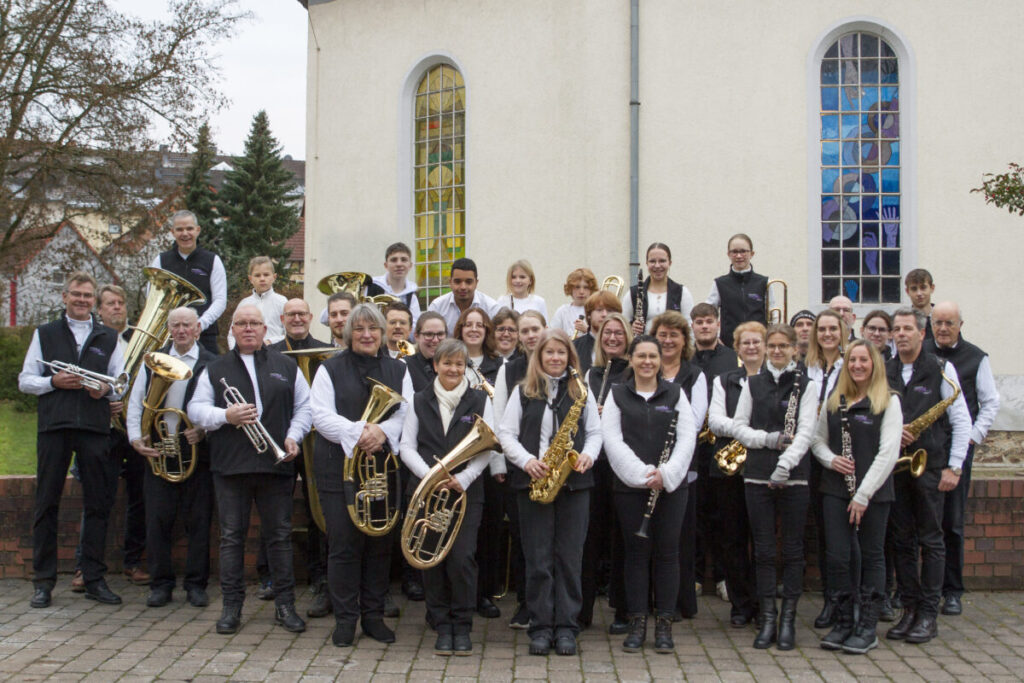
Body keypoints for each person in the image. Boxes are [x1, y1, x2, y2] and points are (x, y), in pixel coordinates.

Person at [187, 305, 311, 635]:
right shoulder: (215, 368)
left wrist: (292, 436)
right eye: (241, 323)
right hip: (231, 467)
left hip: (276, 465)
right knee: (231, 539)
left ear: (265, 328)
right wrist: (225, 417)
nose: (248, 328)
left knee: (280, 538)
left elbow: (305, 408)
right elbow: (196, 409)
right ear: (233, 330)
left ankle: (285, 606)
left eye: (254, 322)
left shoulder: (286, 366)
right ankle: (232, 607)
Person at [19, 272, 126, 609]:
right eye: (76, 295)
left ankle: (93, 577)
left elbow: (120, 383)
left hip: (94, 428)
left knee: (98, 503)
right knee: (46, 502)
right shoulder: (45, 333)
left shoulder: (108, 336)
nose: (82, 300)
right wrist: (53, 382)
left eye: (88, 296)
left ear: (94, 301)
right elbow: (25, 380)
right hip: (55, 426)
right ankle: (43, 582)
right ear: (64, 297)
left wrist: (106, 389)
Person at [309, 304, 413, 647]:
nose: (366, 335)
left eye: (373, 329)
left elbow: (408, 413)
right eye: (359, 329)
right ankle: (345, 620)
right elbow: (320, 415)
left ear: (382, 333)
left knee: (379, 544)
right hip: (337, 471)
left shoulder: (398, 369)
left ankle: (372, 617)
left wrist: (381, 433)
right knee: (343, 545)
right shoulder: (330, 368)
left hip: (382, 469)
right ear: (347, 333)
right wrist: (360, 433)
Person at [498, 329, 601, 656]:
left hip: (574, 485)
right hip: (535, 483)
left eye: (561, 353)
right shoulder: (524, 391)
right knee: (539, 559)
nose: (555, 358)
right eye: (549, 353)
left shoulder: (582, 391)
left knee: (570, 559)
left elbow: (596, 433)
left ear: (570, 358)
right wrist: (527, 462)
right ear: (538, 358)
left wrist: (588, 455)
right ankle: (541, 627)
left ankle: (567, 627)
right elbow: (506, 433)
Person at [399, 339, 497, 655]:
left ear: (465, 367)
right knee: (430, 556)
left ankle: (462, 623)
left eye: (459, 364)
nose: (453, 369)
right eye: (447, 363)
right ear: (435, 366)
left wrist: (464, 478)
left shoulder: (480, 400)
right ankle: (441, 622)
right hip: (427, 490)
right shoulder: (419, 399)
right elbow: (407, 447)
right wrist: (432, 477)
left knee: (462, 557)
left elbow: (488, 448)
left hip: (465, 492)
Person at [603, 335, 697, 653]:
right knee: (636, 555)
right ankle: (637, 621)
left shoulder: (675, 392)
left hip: (671, 487)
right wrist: (643, 476)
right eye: (640, 356)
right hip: (631, 488)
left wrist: (666, 475)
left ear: (660, 360)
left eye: (652, 356)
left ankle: (664, 625)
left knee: (668, 554)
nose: (647, 362)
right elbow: (612, 441)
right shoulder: (617, 393)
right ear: (631, 359)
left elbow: (686, 438)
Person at [729, 324, 819, 650]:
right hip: (756, 474)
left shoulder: (807, 386)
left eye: (784, 346)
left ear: (795, 349)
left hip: (794, 475)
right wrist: (768, 440)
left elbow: (806, 432)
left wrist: (784, 464)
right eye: (774, 346)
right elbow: (739, 427)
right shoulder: (752, 383)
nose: (778, 351)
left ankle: (788, 621)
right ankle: (768, 618)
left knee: (793, 551)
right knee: (764, 550)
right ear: (766, 348)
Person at [884, 308, 971, 645]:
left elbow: (961, 421)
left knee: (932, 540)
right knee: (902, 540)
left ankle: (928, 614)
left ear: (923, 333)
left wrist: (954, 466)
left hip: (930, 467)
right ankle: (909, 609)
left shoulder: (941, 369)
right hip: (896, 467)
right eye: (897, 329)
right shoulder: (886, 370)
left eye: (908, 328)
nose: (901, 334)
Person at [811, 340, 901, 654]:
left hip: (872, 493)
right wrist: (830, 459)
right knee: (838, 557)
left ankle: (868, 627)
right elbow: (817, 440)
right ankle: (845, 621)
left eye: (864, 360)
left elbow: (889, 453)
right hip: (835, 490)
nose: (857, 365)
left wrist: (863, 495)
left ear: (874, 363)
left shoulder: (888, 401)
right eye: (852, 361)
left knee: (872, 556)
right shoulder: (837, 399)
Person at [127, 307, 217, 608]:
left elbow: (216, 407)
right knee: (158, 522)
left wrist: (202, 431)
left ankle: (195, 585)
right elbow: (136, 403)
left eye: (186, 325)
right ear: (169, 329)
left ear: (197, 330)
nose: (180, 330)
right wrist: (135, 437)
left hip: (195, 452)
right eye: (175, 325)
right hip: (159, 449)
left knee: (199, 522)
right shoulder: (152, 362)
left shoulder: (211, 363)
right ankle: (161, 584)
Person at [928, 302, 1000, 617]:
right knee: (923, 523)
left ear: (960, 324)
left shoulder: (976, 358)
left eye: (949, 323)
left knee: (952, 524)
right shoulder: (922, 352)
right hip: (926, 451)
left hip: (957, 451)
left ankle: (952, 590)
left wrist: (971, 438)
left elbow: (990, 402)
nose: (943, 328)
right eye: (938, 323)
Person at [74, 284, 148, 589]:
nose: (117, 307)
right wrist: (105, 402)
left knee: (140, 497)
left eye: (121, 302)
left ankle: (133, 562)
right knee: (96, 500)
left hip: (134, 429)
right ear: (99, 310)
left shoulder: (139, 341)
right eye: (110, 303)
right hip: (102, 430)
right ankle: (85, 566)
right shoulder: (91, 341)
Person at [267, 298, 332, 617]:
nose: (296, 318)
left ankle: (321, 576)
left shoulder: (326, 351)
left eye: (302, 314)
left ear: (310, 317)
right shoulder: (271, 353)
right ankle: (272, 577)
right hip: (281, 438)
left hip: (317, 442)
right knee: (274, 509)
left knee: (317, 508)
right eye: (290, 314)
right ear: (282, 318)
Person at [490, 308, 547, 630]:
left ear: (544, 329)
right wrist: (500, 462)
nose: (529, 336)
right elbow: (498, 420)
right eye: (523, 331)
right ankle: (526, 605)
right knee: (524, 540)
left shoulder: (558, 363)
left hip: (554, 469)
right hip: (518, 467)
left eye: (534, 329)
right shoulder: (509, 369)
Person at [651, 311, 709, 620]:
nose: (668, 340)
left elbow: (696, 420)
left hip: (682, 462)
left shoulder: (694, 374)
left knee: (679, 536)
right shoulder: (646, 367)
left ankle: (677, 603)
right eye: (662, 334)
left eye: (674, 335)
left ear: (684, 340)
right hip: (647, 462)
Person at [707, 322, 765, 629]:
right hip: (728, 467)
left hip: (764, 467)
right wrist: (751, 432)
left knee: (763, 538)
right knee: (733, 538)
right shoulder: (724, 380)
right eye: (746, 343)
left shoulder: (776, 381)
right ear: (737, 348)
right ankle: (741, 605)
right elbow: (715, 422)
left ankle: (763, 603)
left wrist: (744, 433)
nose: (752, 347)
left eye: (757, 342)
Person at [579, 313, 633, 632]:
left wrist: (611, 414)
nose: (612, 338)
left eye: (618, 333)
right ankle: (582, 611)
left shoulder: (632, 372)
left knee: (622, 539)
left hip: (622, 463)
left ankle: (623, 610)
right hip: (595, 465)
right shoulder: (591, 373)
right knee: (589, 539)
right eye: (607, 333)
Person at [804, 309, 849, 629]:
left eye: (833, 328)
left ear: (843, 331)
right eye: (822, 329)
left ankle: (848, 599)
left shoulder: (852, 365)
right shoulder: (807, 366)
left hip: (841, 455)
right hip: (811, 456)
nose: (827, 334)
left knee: (843, 537)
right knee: (822, 533)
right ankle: (830, 599)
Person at [151, 210, 227, 353]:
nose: (185, 233)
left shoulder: (212, 260)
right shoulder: (160, 261)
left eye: (189, 228)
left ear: (197, 230)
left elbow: (220, 300)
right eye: (179, 229)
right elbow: (154, 300)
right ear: (172, 232)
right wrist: (172, 327)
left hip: (204, 336)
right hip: (168, 337)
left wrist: (200, 324)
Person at [706, 234, 769, 349]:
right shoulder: (719, 283)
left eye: (743, 251)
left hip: (758, 346)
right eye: (734, 252)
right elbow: (709, 313)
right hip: (728, 345)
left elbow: (772, 316)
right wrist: (715, 337)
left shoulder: (764, 282)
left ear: (752, 254)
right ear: (728, 254)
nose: (739, 256)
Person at [624, 243, 694, 334]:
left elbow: (690, 328)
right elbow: (623, 325)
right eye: (652, 261)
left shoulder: (682, 292)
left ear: (670, 263)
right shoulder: (633, 293)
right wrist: (631, 328)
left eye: (662, 261)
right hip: (642, 346)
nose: (657, 265)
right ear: (647, 263)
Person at [227, 256, 287, 349]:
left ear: (274, 277)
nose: (262, 279)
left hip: (276, 353)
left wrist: (270, 341)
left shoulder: (282, 302)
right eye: (257, 275)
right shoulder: (244, 304)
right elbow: (232, 333)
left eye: (266, 275)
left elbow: (289, 333)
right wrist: (235, 352)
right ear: (250, 279)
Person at [427, 258, 498, 332]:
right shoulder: (437, 307)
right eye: (457, 282)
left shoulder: (491, 308)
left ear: (476, 283)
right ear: (450, 282)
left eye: (468, 282)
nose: (463, 287)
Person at [367, 242, 422, 324]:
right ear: (386, 265)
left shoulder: (412, 296)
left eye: (404, 260)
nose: (399, 264)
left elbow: (414, 326)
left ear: (410, 265)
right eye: (394, 260)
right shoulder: (371, 287)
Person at [574, 290, 622, 374]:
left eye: (610, 311)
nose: (604, 314)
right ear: (589, 315)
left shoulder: (626, 347)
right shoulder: (574, 347)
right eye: (599, 310)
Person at [453, 307, 502, 386]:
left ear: (487, 331)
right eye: (468, 325)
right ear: (460, 330)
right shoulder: (449, 362)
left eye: (479, 325)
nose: (474, 329)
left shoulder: (500, 364)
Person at [405, 311, 448, 392]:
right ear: (416, 336)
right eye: (428, 334)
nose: (435, 340)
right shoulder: (405, 367)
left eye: (440, 334)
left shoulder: (455, 365)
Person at [550, 268, 597, 337]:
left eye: (586, 287)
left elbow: (602, 337)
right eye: (577, 287)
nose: (581, 292)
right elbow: (552, 335)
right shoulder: (563, 311)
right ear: (570, 289)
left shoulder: (596, 311)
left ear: (591, 290)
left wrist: (587, 330)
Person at [904, 269, 936, 341]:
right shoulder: (903, 321)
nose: (919, 293)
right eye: (914, 289)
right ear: (907, 291)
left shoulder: (942, 319)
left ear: (932, 288)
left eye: (923, 287)